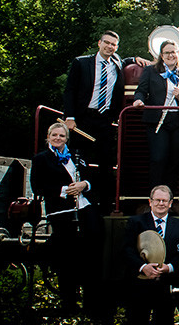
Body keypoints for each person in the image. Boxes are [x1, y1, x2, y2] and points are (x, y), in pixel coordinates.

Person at [62, 30, 150, 211]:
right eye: (107, 43)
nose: (109, 46)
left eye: (113, 44)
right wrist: (69, 117)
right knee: (81, 159)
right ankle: (77, 202)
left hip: (105, 119)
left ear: (116, 47)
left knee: (106, 161)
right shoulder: (81, 63)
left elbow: (124, 61)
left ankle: (103, 204)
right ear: (99, 43)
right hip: (83, 118)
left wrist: (135, 58)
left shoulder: (117, 63)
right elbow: (70, 90)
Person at [30, 122, 103, 315]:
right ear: (48, 137)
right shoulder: (41, 159)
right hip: (61, 212)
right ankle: (69, 305)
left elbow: (92, 178)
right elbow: (37, 186)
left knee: (91, 254)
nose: (58, 138)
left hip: (84, 208)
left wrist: (84, 185)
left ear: (66, 139)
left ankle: (92, 305)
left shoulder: (76, 157)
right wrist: (64, 190)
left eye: (61, 136)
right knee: (67, 256)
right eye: (54, 135)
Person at [123, 185, 179, 325]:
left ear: (170, 203)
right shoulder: (136, 222)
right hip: (140, 285)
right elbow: (126, 249)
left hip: (166, 286)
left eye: (164, 201)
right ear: (150, 202)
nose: (161, 203)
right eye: (157, 200)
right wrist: (143, 267)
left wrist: (169, 267)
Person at [132, 39, 179, 190]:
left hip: (178, 122)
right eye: (166, 53)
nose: (170, 55)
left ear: (178, 53)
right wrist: (138, 100)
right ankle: (155, 195)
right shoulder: (151, 71)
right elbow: (141, 90)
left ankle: (168, 197)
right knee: (158, 158)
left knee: (175, 161)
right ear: (161, 55)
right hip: (157, 120)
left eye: (173, 52)